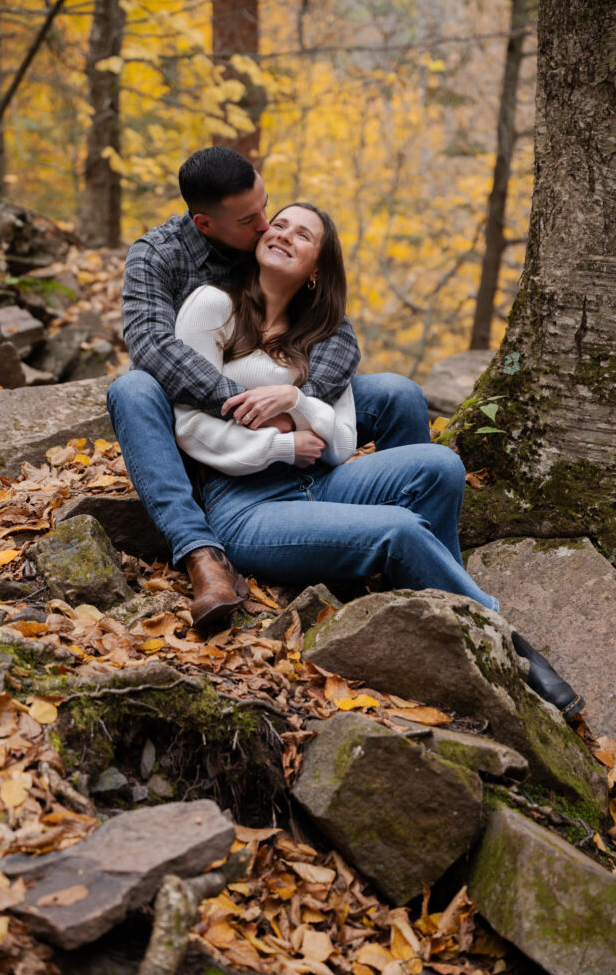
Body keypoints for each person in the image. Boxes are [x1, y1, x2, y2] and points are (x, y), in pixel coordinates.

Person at [173, 201, 585, 720]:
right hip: (248, 507)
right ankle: (506, 642)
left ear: (317, 268)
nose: (283, 234)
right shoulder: (213, 306)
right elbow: (187, 424)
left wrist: (295, 401)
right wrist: (278, 445)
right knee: (400, 529)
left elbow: (342, 441)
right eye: (278, 224)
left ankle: (426, 601)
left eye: (303, 235)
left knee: (440, 465)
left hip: (319, 482)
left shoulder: (322, 337)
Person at [107, 147, 431, 628]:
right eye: (250, 219)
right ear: (204, 223)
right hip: (193, 421)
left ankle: (391, 529)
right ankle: (203, 557)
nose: (266, 226)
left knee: (397, 393)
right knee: (131, 388)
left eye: (266, 207)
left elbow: (334, 329)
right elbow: (153, 348)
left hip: (283, 400)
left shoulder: (272, 247)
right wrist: (244, 409)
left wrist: (299, 401)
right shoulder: (157, 257)